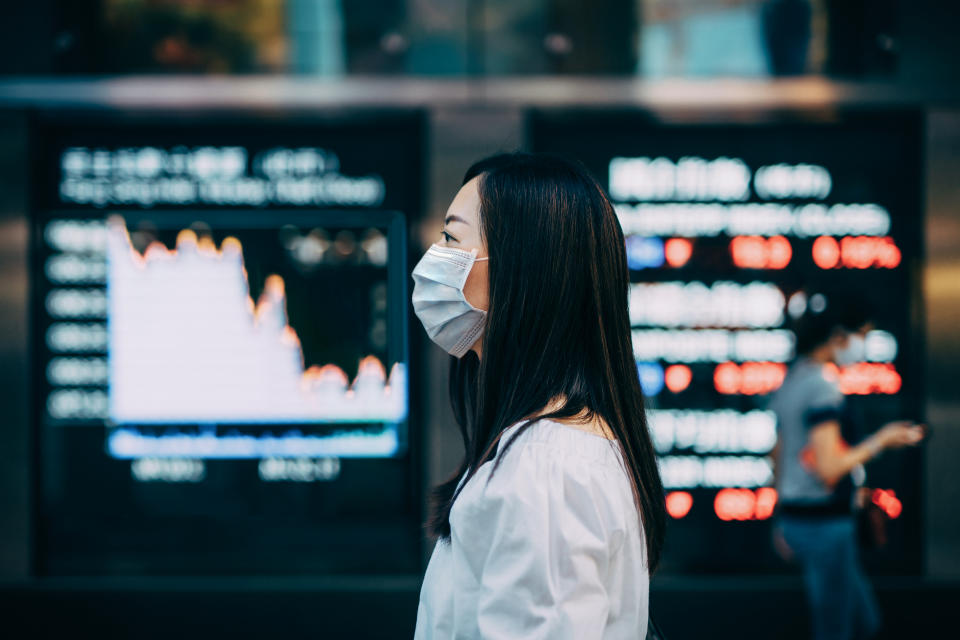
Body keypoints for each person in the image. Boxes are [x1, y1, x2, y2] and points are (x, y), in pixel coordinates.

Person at [411, 152, 666, 639]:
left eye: (451, 238)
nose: (432, 261)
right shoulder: (547, 447)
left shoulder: (546, 465)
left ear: (521, 268)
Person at [769, 292, 926, 640]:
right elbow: (829, 467)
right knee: (839, 628)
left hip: (800, 519)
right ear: (839, 336)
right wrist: (881, 440)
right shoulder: (823, 386)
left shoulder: (793, 378)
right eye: (864, 335)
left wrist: (781, 517)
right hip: (825, 524)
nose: (864, 345)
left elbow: (777, 455)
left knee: (862, 620)